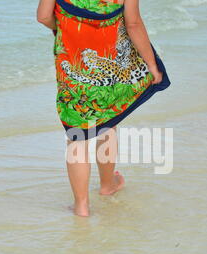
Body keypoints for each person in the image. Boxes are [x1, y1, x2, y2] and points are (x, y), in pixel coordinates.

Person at [37, 0, 170, 217]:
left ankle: (81, 205)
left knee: (77, 135)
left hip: (73, 62)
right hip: (109, 62)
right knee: (108, 122)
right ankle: (108, 185)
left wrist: (62, 26)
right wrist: (152, 64)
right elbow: (133, 24)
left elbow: (43, 16)